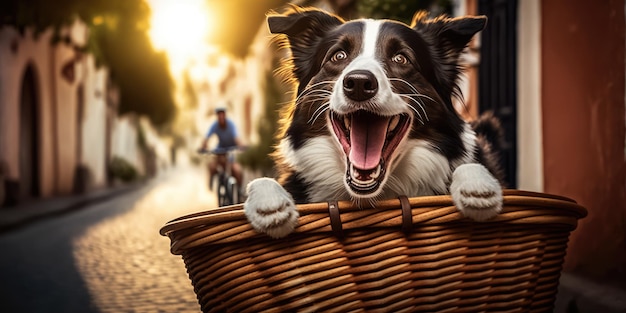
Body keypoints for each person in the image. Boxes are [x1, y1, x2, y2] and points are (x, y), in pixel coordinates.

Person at [198, 107, 244, 190]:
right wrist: (203, 146)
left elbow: (236, 138)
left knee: (237, 170)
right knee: (213, 166)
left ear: (225, 115)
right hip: (221, 148)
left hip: (231, 149)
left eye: (222, 115)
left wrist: (241, 146)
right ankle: (213, 182)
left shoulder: (231, 124)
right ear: (217, 116)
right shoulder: (215, 125)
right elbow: (207, 137)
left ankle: (240, 190)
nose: (221, 117)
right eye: (219, 115)